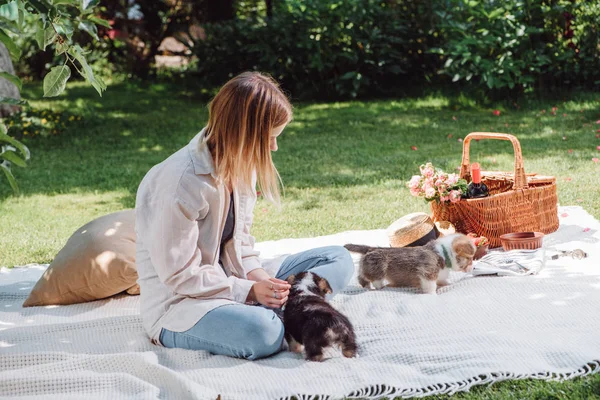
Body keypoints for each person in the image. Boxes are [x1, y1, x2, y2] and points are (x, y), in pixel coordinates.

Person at [135, 72, 354, 360]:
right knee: (264, 333)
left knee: (338, 258)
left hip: (236, 281)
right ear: (243, 133)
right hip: (183, 304)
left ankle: (289, 308)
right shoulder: (179, 183)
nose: (274, 147)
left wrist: (263, 280)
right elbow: (180, 276)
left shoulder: (241, 163)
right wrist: (250, 291)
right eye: (270, 138)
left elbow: (242, 244)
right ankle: (290, 314)